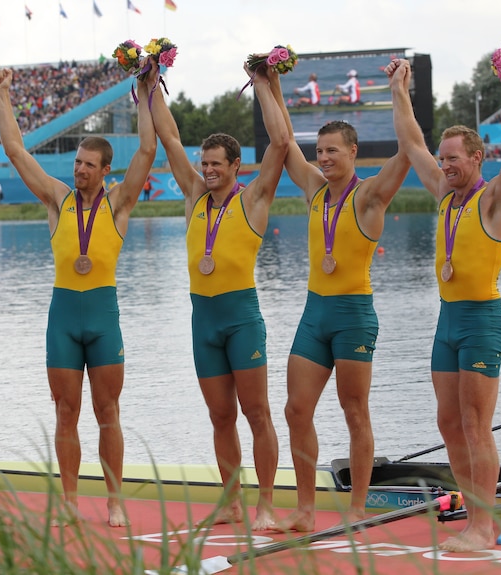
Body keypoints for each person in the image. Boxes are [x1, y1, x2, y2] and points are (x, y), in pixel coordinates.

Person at [0, 65, 157, 527]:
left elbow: (147, 148)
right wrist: (3, 95)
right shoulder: (56, 200)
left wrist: (145, 94)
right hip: (63, 318)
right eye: (77, 162)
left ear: (106, 170)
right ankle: (67, 501)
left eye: (88, 164)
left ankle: (115, 500)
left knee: (108, 412)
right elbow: (16, 151)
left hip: (103, 318)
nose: (79, 169)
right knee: (66, 412)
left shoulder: (120, 203)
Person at [388, 57, 501, 552]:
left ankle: (482, 525)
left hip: (481, 322)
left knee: (476, 425)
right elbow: (411, 141)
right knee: (449, 424)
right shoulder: (443, 196)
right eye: (443, 158)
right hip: (447, 321)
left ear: (475, 158)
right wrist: (399, 89)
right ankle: (473, 514)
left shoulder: (493, 199)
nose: (445, 164)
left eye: (453, 158)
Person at [265, 62, 409, 532]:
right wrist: (273, 83)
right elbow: (283, 143)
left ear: (353, 151)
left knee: (354, 412)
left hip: (352, 314)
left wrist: (397, 91)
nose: (322, 158)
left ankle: (357, 509)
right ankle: (306, 511)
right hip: (314, 313)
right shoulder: (312, 190)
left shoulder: (369, 196)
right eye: (319, 151)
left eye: (331, 151)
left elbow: (410, 149)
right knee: (295, 409)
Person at [147, 59, 288, 530]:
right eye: (203, 163)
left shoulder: (253, 200)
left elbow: (282, 144)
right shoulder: (192, 195)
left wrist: (265, 84)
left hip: (240, 317)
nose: (206, 170)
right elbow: (168, 138)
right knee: (221, 416)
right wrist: (151, 87)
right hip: (202, 322)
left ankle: (266, 503)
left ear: (235, 167)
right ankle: (231, 503)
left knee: (257, 413)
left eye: (215, 164)